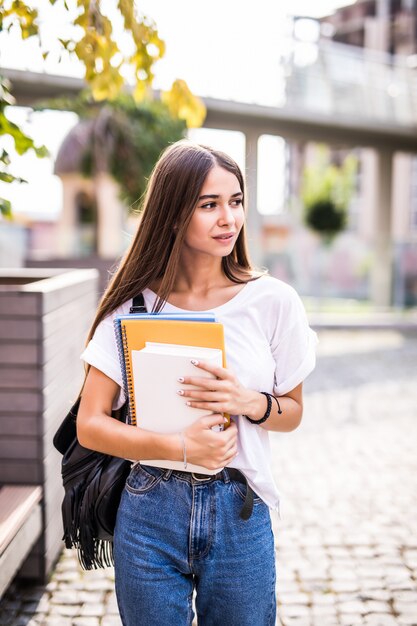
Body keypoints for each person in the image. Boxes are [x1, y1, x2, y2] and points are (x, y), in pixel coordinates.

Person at [77, 140, 317, 626]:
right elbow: (90, 424)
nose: (229, 218)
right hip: (148, 512)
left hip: (240, 511)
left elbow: (292, 412)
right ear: (172, 214)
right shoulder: (133, 308)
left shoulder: (272, 301)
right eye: (209, 205)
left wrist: (248, 401)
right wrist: (180, 447)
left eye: (235, 201)